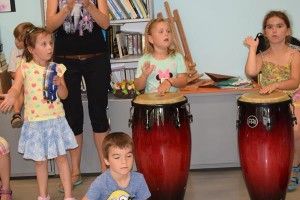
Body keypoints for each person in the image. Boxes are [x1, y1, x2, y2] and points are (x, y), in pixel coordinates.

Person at [0, 27, 78, 200]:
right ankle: (43, 196)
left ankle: (68, 195)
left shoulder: (57, 68)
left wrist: (59, 85)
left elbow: (65, 95)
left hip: (55, 120)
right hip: (35, 122)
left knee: (62, 159)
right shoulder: (24, 68)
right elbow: (15, 87)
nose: (49, 47)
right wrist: (11, 97)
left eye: (50, 43)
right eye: (44, 44)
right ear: (31, 49)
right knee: (40, 162)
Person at [46, 0, 111, 191]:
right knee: (73, 115)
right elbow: (49, 26)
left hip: (97, 58)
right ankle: (75, 171)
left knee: (98, 113)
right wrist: (68, 6)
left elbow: (105, 23)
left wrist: (88, 5)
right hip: (66, 61)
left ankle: (104, 170)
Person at [243, 10, 300, 191]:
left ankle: (294, 167)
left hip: (294, 97)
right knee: (266, 134)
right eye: (269, 27)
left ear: (288, 31)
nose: (274, 30)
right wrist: (253, 49)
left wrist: (275, 85)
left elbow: (294, 81)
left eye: (279, 26)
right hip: (272, 101)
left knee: (295, 129)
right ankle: (272, 166)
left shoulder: (295, 54)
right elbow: (251, 72)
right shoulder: (262, 56)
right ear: (265, 32)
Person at [82, 132, 151, 200]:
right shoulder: (101, 182)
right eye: (117, 157)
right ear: (106, 161)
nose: (124, 161)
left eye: (128, 156)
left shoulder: (139, 179)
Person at [134, 18, 188, 95]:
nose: (166, 34)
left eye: (168, 31)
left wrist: (169, 81)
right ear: (151, 39)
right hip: (152, 104)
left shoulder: (177, 57)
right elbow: (138, 87)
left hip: (173, 103)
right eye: (161, 32)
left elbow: (183, 81)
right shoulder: (144, 60)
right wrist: (144, 76)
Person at [8, 22, 35, 128]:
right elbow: (11, 72)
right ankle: (16, 114)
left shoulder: (34, 52)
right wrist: (21, 80)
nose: (15, 42)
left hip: (33, 83)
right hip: (20, 83)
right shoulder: (14, 52)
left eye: (18, 40)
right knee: (19, 88)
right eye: (15, 39)